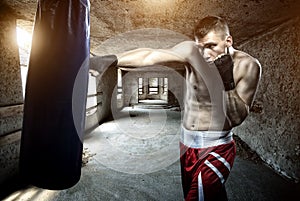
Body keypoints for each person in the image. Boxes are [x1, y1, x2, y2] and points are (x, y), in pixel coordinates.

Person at [116, 16, 261, 201]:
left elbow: (237, 118)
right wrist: (108, 60)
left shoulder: (248, 66)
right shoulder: (193, 52)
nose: (205, 54)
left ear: (228, 41)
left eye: (211, 46)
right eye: (201, 47)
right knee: (207, 195)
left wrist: (223, 83)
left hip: (215, 148)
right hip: (186, 144)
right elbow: (150, 55)